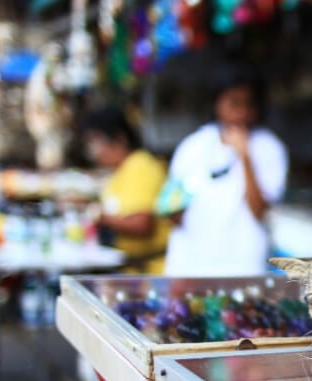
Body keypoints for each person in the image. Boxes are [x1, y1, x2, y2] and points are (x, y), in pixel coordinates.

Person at [161, 65, 289, 276]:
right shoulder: (193, 146)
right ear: (217, 102)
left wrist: (245, 156)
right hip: (190, 264)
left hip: (242, 266)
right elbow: (172, 209)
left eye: (249, 104)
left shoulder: (269, 148)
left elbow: (259, 211)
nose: (242, 112)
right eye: (234, 103)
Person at [80, 106, 171, 274]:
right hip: (134, 272)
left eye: (96, 142)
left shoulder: (141, 166)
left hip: (152, 273)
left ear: (119, 139)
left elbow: (142, 224)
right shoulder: (122, 171)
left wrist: (101, 217)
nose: (93, 151)